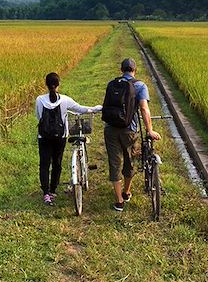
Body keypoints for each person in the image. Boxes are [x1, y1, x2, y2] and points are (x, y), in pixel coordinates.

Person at [102, 58, 161, 212]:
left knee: (114, 163)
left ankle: (119, 201)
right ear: (135, 70)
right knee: (130, 162)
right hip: (129, 130)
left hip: (110, 128)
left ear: (121, 70)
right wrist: (149, 130)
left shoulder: (111, 84)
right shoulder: (140, 85)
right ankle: (126, 192)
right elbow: (144, 109)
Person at [36, 72, 102, 205]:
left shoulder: (39, 100)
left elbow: (39, 117)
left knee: (44, 164)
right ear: (58, 85)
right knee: (57, 163)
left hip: (43, 137)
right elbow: (80, 109)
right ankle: (53, 189)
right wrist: (96, 109)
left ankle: (46, 193)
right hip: (60, 137)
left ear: (46, 85)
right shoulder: (65, 100)